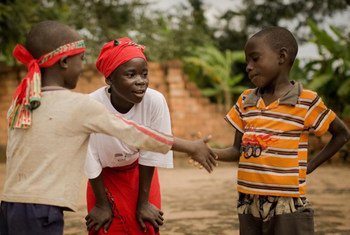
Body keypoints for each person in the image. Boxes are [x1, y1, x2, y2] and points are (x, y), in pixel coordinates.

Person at [0, 21, 217, 235]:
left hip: (9, 204)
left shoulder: (22, 102)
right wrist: (190, 147)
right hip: (41, 208)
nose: (83, 66)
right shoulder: (80, 105)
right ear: (65, 62)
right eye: (81, 59)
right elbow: (136, 133)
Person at [214, 26, 350, 235]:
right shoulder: (246, 100)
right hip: (248, 201)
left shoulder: (306, 101)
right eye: (247, 62)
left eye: (255, 59)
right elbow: (237, 150)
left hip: (287, 203)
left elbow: (342, 133)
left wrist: (310, 165)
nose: (249, 67)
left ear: (282, 56)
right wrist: (209, 152)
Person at [84, 37, 173, 234]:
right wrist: (101, 204)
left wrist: (144, 203)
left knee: (147, 225)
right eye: (131, 75)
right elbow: (89, 156)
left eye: (144, 74)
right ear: (109, 79)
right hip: (102, 177)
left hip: (141, 174)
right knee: (105, 228)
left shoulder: (155, 101)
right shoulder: (91, 106)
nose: (141, 81)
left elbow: (152, 150)